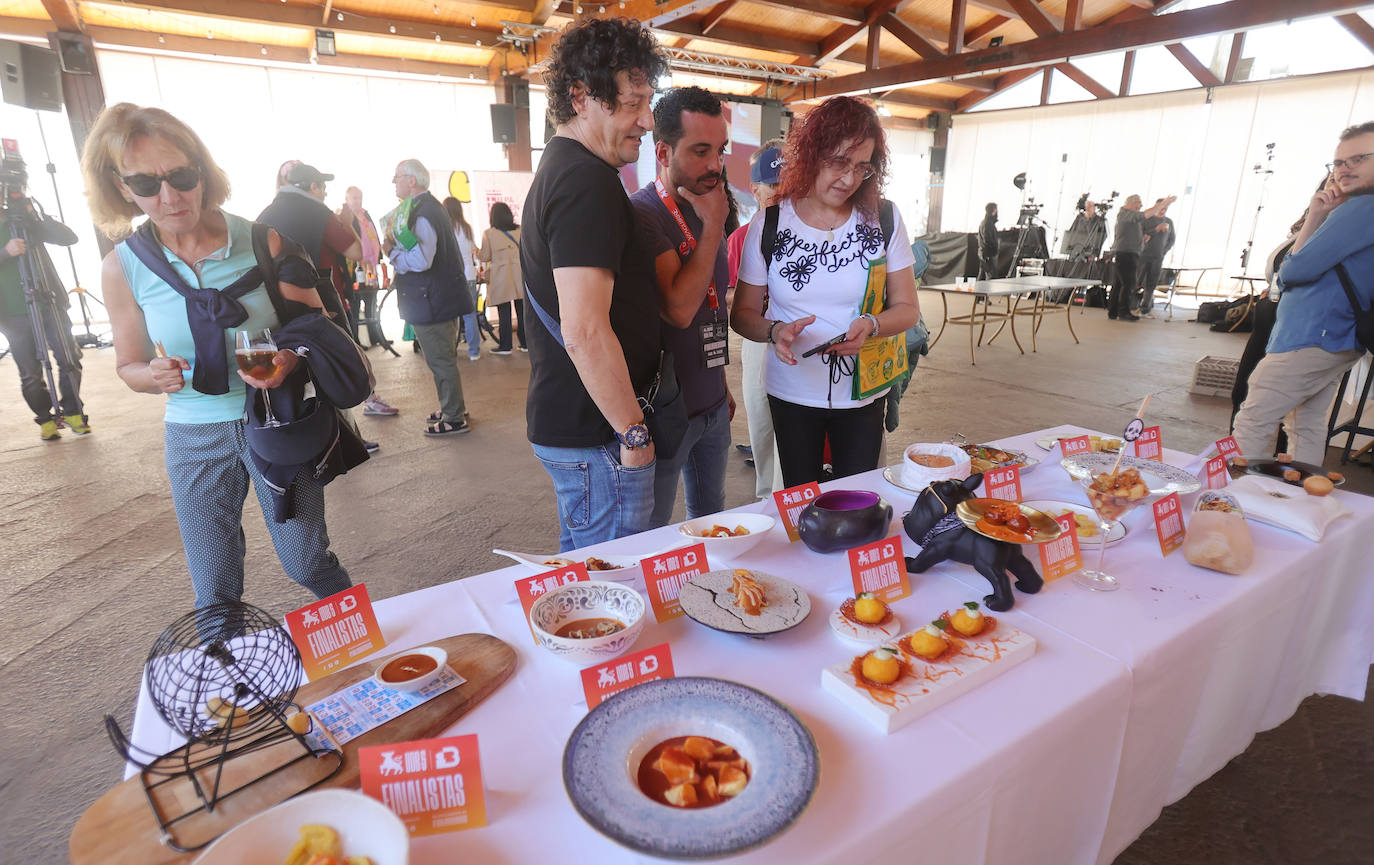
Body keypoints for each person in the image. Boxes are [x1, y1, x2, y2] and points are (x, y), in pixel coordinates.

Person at [82, 103, 351, 608]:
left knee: (307, 560)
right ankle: (222, 675)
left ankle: (362, 635)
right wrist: (151, 374)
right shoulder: (123, 267)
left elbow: (320, 326)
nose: (169, 196)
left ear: (202, 172)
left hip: (277, 419)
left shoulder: (263, 242)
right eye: (145, 184)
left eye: (181, 175)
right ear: (121, 188)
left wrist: (290, 357)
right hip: (192, 432)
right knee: (214, 583)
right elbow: (128, 366)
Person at [520, 17, 668, 550]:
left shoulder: (570, 169)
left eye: (648, 102)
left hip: (583, 424)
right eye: (632, 104)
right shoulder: (585, 181)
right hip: (598, 435)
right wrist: (634, 433)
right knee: (610, 584)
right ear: (581, 97)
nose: (647, 121)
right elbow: (583, 329)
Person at [731, 96, 920, 487]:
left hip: (863, 393)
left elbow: (907, 309)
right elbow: (743, 314)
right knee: (800, 503)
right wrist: (773, 331)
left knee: (858, 498)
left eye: (862, 168)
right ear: (811, 156)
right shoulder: (770, 224)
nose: (849, 179)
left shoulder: (883, 219)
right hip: (791, 391)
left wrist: (870, 323)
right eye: (838, 163)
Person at [1233, 121, 1374, 465]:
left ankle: (1227, 506)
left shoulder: (1360, 208)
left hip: (1310, 336)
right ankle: (1300, 500)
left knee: (1253, 420)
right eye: (1339, 162)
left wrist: (1314, 216)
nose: (1344, 169)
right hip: (1335, 337)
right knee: (1306, 424)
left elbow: (1292, 271)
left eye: (1358, 159)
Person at [630, 86, 733, 528]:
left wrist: (720, 381)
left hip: (713, 404)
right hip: (666, 412)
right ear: (663, 151)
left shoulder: (707, 202)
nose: (715, 165)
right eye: (701, 150)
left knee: (713, 526)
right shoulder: (644, 213)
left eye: (721, 150)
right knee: (652, 536)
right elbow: (679, 309)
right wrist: (714, 225)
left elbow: (713, 310)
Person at [261, 165, 397, 422]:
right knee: (338, 362)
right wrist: (347, 224)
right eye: (322, 186)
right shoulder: (317, 211)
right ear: (312, 187)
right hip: (319, 301)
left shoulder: (266, 214)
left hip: (277, 307)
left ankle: (315, 429)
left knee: (298, 368)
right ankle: (350, 421)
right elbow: (358, 252)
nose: (324, 192)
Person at [388, 159, 473, 436]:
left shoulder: (422, 212)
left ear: (412, 180)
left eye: (398, 176)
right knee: (443, 358)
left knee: (441, 360)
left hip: (431, 300)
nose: (394, 182)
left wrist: (393, 254)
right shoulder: (429, 207)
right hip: (438, 298)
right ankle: (452, 406)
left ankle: (454, 417)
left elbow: (422, 259)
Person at [727, 140, 784, 499]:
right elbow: (728, 295)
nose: (780, 192)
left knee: (796, 427)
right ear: (755, 188)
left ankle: (793, 497)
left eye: (787, 183)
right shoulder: (740, 239)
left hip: (804, 342)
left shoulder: (809, 233)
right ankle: (767, 497)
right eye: (773, 184)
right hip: (758, 341)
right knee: (762, 422)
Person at [0, 209, 89, 440]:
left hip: (49, 304)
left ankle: (73, 411)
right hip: (11, 314)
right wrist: (5, 253)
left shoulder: (23, 219)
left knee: (69, 358)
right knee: (30, 372)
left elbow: (69, 238)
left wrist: (36, 213)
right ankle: (45, 418)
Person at [1107, 194, 1174, 321]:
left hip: (1131, 252)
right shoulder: (1126, 214)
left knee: (1120, 283)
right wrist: (1164, 203)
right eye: (1139, 203)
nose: (1141, 205)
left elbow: (1140, 231)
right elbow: (1143, 215)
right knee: (1129, 283)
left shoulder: (1131, 217)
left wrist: (1143, 238)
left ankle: (1113, 311)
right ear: (1131, 203)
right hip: (1126, 252)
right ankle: (1123, 312)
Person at [475, 201, 525, 355]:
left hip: (501, 276)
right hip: (520, 274)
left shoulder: (489, 233)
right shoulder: (520, 230)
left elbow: (485, 256)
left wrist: (475, 250)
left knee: (504, 311)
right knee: (522, 310)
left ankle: (505, 346)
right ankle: (526, 343)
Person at [338, 185, 385, 347]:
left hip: (371, 265)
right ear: (347, 199)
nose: (358, 201)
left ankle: (376, 336)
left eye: (360, 198)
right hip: (355, 266)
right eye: (355, 198)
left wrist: (379, 257)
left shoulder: (365, 214)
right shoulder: (344, 217)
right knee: (356, 303)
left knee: (372, 300)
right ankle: (356, 340)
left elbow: (374, 237)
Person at [442, 197, 483, 362]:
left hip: (452, 277)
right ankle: (474, 352)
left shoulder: (446, 227)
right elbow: (472, 251)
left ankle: (451, 351)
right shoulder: (467, 228)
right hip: (470, 275)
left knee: (451, 316)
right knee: (470, 315)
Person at [1135, 198, 1175, 316]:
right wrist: (1156, 229)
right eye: (1161, 208)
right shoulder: (1147, 220)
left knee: (1151, 283)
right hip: (1143, 255)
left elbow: (1171, 239)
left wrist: (1164, 251)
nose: (1163, 211)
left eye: (1165, 209)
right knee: (1137, 280)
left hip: (1158, 257)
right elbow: (1140, 236)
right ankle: (1129, 305)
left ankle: (1145, 308)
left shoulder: (1169, 222)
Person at [977, 202, 999, 279]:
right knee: (990, 277)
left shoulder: (985, 223)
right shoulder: (988, 224)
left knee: (982, 275)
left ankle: (977, 290)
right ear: (993, 211)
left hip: (984, 253)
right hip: (988, 254)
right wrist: (993, 250)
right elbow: (987, 240)